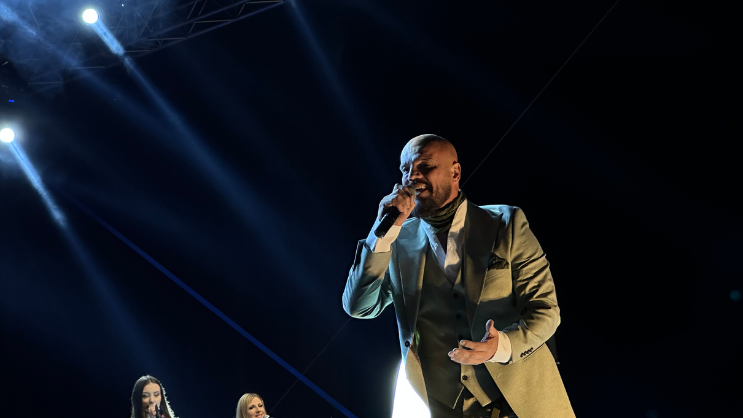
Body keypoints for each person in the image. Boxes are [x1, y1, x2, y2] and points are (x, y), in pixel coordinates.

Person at [342, 134, 575, 418]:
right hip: (445, 408)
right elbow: (359, 307)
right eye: (405, 169)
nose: (412, 177)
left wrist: (500, 346)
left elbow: (545, 310)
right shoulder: (397, 242)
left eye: (425, 166)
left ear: (455, 172)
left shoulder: (506, 223)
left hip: (522, 404)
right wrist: (380, 234)